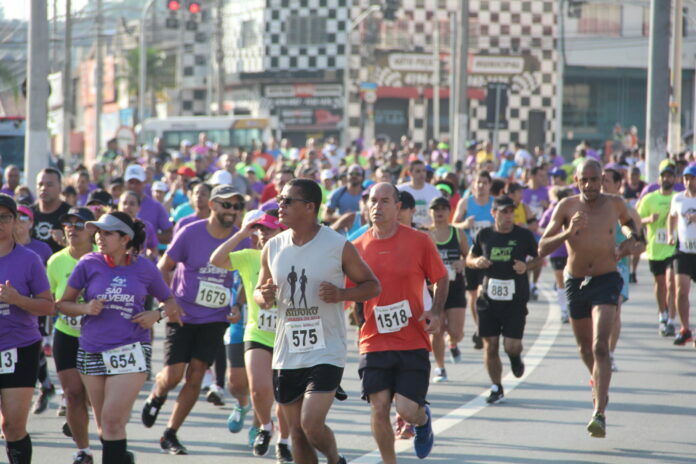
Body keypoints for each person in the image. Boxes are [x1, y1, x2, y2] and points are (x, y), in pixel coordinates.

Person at [254, 178, 380, 464]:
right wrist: (265, 297)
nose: (279, 206)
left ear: (310, 207)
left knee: (311, 423)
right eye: (279, 200)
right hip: (287, 352)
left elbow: (373, 286)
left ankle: (334, 460)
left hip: (327, 348)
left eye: (287, 201)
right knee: (297, 433)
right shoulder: (272, 247)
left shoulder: (337, 245)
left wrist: (342, 293)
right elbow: (260, 293)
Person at [57, 212, 181, 464]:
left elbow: (170, 302)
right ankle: (122, 458)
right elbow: (63, 304)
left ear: (125, 239)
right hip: (92, 350)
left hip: (131, 349)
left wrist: (155, 315)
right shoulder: (88, 263)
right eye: (98, 232)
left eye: (107, 233)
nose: (99, 237)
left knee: (113, 421)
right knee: (105, 427)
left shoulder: (145, 267)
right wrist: (85, 308)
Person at [539, 159, 643, 438]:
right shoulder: (566, 207)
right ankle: (599, 385)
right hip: (576, 282)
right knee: (585, 349)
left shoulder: (615, 204)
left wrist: (627, 245)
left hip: (606, 279)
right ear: (576, 180)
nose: (589, 185)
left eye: (594, 179)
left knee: (600, 345)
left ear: (602, 179)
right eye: (584, 180)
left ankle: (599, 412)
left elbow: (637, 235)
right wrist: (567, 231)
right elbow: (542, 248)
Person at [141, 185, 247, 455]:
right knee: (174, 375)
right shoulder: (190, 232)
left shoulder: (241, 240)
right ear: (212, 205)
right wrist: (169, 303)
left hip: (215, 317)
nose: (231, 211)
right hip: (183, 314)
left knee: (197, 374)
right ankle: (157, 394)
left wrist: (237, 304)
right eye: (226, 205)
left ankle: (170, 433)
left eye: (236, 206)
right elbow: (163, 267)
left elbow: (249, 275)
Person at [351, 182, 446, 463]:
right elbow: (345, 290)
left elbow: (441, 277)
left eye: (384, 201)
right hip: (374, 340)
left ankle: (422, 418)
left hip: (412, 339)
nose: (376, 207)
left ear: (398, 207)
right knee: (379, 408)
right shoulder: (357, 247)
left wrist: (437, 312)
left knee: (406, 410)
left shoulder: (418, 241)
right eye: (372, 201)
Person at [210, 210, 293, 462]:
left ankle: (284, 441)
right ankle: (265, 427)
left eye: (268, 229)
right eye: (260, 229)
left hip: (288, 336)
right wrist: (241, 233)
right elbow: (216, 259)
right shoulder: (249, 257)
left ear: (281, 232)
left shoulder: (294, 257)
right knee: (258, 389)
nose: (262, 234)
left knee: (285, 397)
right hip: (257, 332)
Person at [466, 195, 541, 404]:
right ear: (494, 213)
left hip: (515, 300)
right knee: (490, 345)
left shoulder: (524, 235)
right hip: (488, 299)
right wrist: (476, 261)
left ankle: (515, 358)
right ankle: (496, 386)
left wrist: (527, 266)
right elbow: (469, 258)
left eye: (511, 212)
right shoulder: (484, 235)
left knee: (511, 346)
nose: (508, 216)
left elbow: (539, 258)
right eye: (504, 212)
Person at [0, 193, 55, 464]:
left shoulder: (29, 259)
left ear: (15, 221)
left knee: (12, 426)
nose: (0, 223)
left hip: (19, 347)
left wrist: (17, 300)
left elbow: (48, 306)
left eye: (5, 217)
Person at [47, 207, 97, 464]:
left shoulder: (103, 259)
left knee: (93, 397)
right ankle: (84, 451)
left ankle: (111, 441)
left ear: (92, 230)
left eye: (79, 224)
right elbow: (50, 301)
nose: (72, 228)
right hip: (66, 334)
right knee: (73, 393)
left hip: (99, 338)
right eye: (68, 223)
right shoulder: (56, 261)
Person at [427, 196, 468, 381]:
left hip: (455, 287)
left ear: (449, 212)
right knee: (436, 330)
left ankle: (453, 344)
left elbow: (470, 256)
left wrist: (462, 262)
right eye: (436, 209)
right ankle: (440, 367)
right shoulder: (425, 234)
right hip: (433, 289)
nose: (440, 212)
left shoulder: (457, 233)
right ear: (431, 212)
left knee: (456, 332)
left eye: (444, 208)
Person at [453, 170, 495, 350]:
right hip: (470, 255)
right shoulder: (465, 202)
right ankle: (480, 327)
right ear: (472, 185)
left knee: (482, 292)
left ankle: (485, 325)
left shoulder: (495, 204)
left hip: (489, 256)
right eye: (478, 182)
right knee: (472, 295)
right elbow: (453, 224)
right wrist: (465, 224)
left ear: (489, 185)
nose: (481, 186)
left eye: (484, 182)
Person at [636, 163, 678, 338]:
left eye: (669, 175)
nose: (666, 178)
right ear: (659, 178)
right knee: (660, 284)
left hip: (675, 247)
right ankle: (663, 315)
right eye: (663, 176)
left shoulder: (678, 197)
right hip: (655, 248)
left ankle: (672, 321)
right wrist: (648, 219)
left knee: (671, 283)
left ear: (674, 178)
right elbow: (636, 220)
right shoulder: (649, 199)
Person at [667, 162, 696, 347]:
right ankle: (685, 329)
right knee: (680, 291)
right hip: (683, 251)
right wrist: (670, 233)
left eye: (692, 178)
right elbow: (672, 216)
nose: (688, 182)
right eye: (686, 178)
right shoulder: (678, 199)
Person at [124, 164, 174, 245]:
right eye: (130, 182)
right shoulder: (116, 204)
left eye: (137, 182)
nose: (133, 186)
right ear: (125, 183)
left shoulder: (156, 206)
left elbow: (169, 234)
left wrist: (148, 237)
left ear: (144, 182)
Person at [32, 168, 72, 254]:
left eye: (49, 184)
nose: (43, 188)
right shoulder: (28, 214)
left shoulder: (71, 215)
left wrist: (66, 243)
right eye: (40, 184)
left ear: (60, 187)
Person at [397, 160, 442, 228]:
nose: (422, 174)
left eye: (424, 171)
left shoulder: (435, 191)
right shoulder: (399, 190)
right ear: (410, 173)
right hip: (406, 230)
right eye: (418, 171)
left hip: (428, 231)